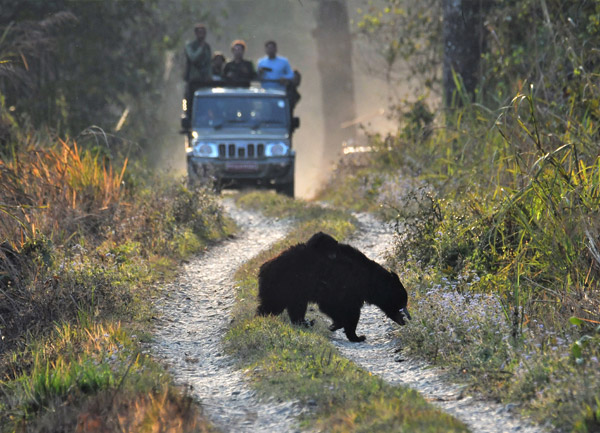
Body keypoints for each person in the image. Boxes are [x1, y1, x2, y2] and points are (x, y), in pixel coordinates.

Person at [183, 24, 212, 128]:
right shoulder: (190, 45)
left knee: (207, 103)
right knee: (191, 103)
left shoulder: (207, 47)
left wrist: (210, 76)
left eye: (203, 32)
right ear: (195, 33)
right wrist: (200, 48)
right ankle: (190, 123)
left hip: (205, 81)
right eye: (199, 32)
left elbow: (208, 63)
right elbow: (193, 57)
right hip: (193, 80)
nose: (201, 35)